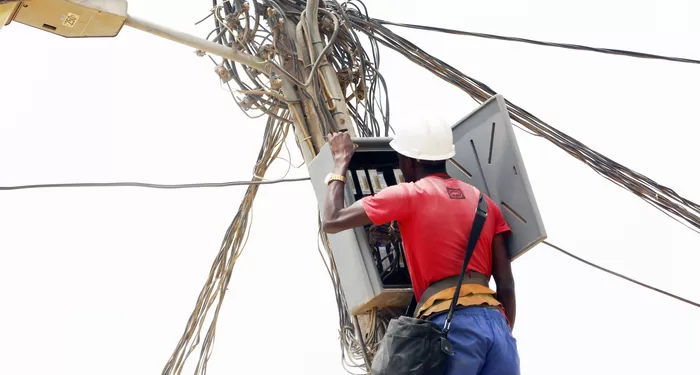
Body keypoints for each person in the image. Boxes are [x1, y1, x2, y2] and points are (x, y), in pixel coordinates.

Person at [320, 121, 520, 375]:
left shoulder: (409, 194)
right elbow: (506, 285)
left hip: (452, 325)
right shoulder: (484, 202)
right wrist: (499, 333)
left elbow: (332, 219)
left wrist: (340, 161)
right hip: (498, 329)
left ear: (408, 162)